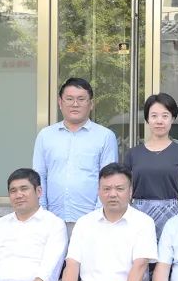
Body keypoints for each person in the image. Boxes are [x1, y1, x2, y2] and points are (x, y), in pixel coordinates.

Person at [33, 77, 118, 227]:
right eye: (69, 99)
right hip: (52, 219)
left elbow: (109, 179)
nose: (75, 104)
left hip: (91, 220)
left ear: (91, 104)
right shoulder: (45, 136)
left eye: (81, 99)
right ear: (60, 103)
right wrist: (42, 213)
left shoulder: (105, 136)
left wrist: (99, 216)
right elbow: (39, 176)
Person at [124, 93, 178, 238]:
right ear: (147, 119)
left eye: (165, 116)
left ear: (172, 119)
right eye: (154, 116)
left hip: (172, 214)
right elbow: (126, 189)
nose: (159, 121)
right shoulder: (133, 154)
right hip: (139, 214)